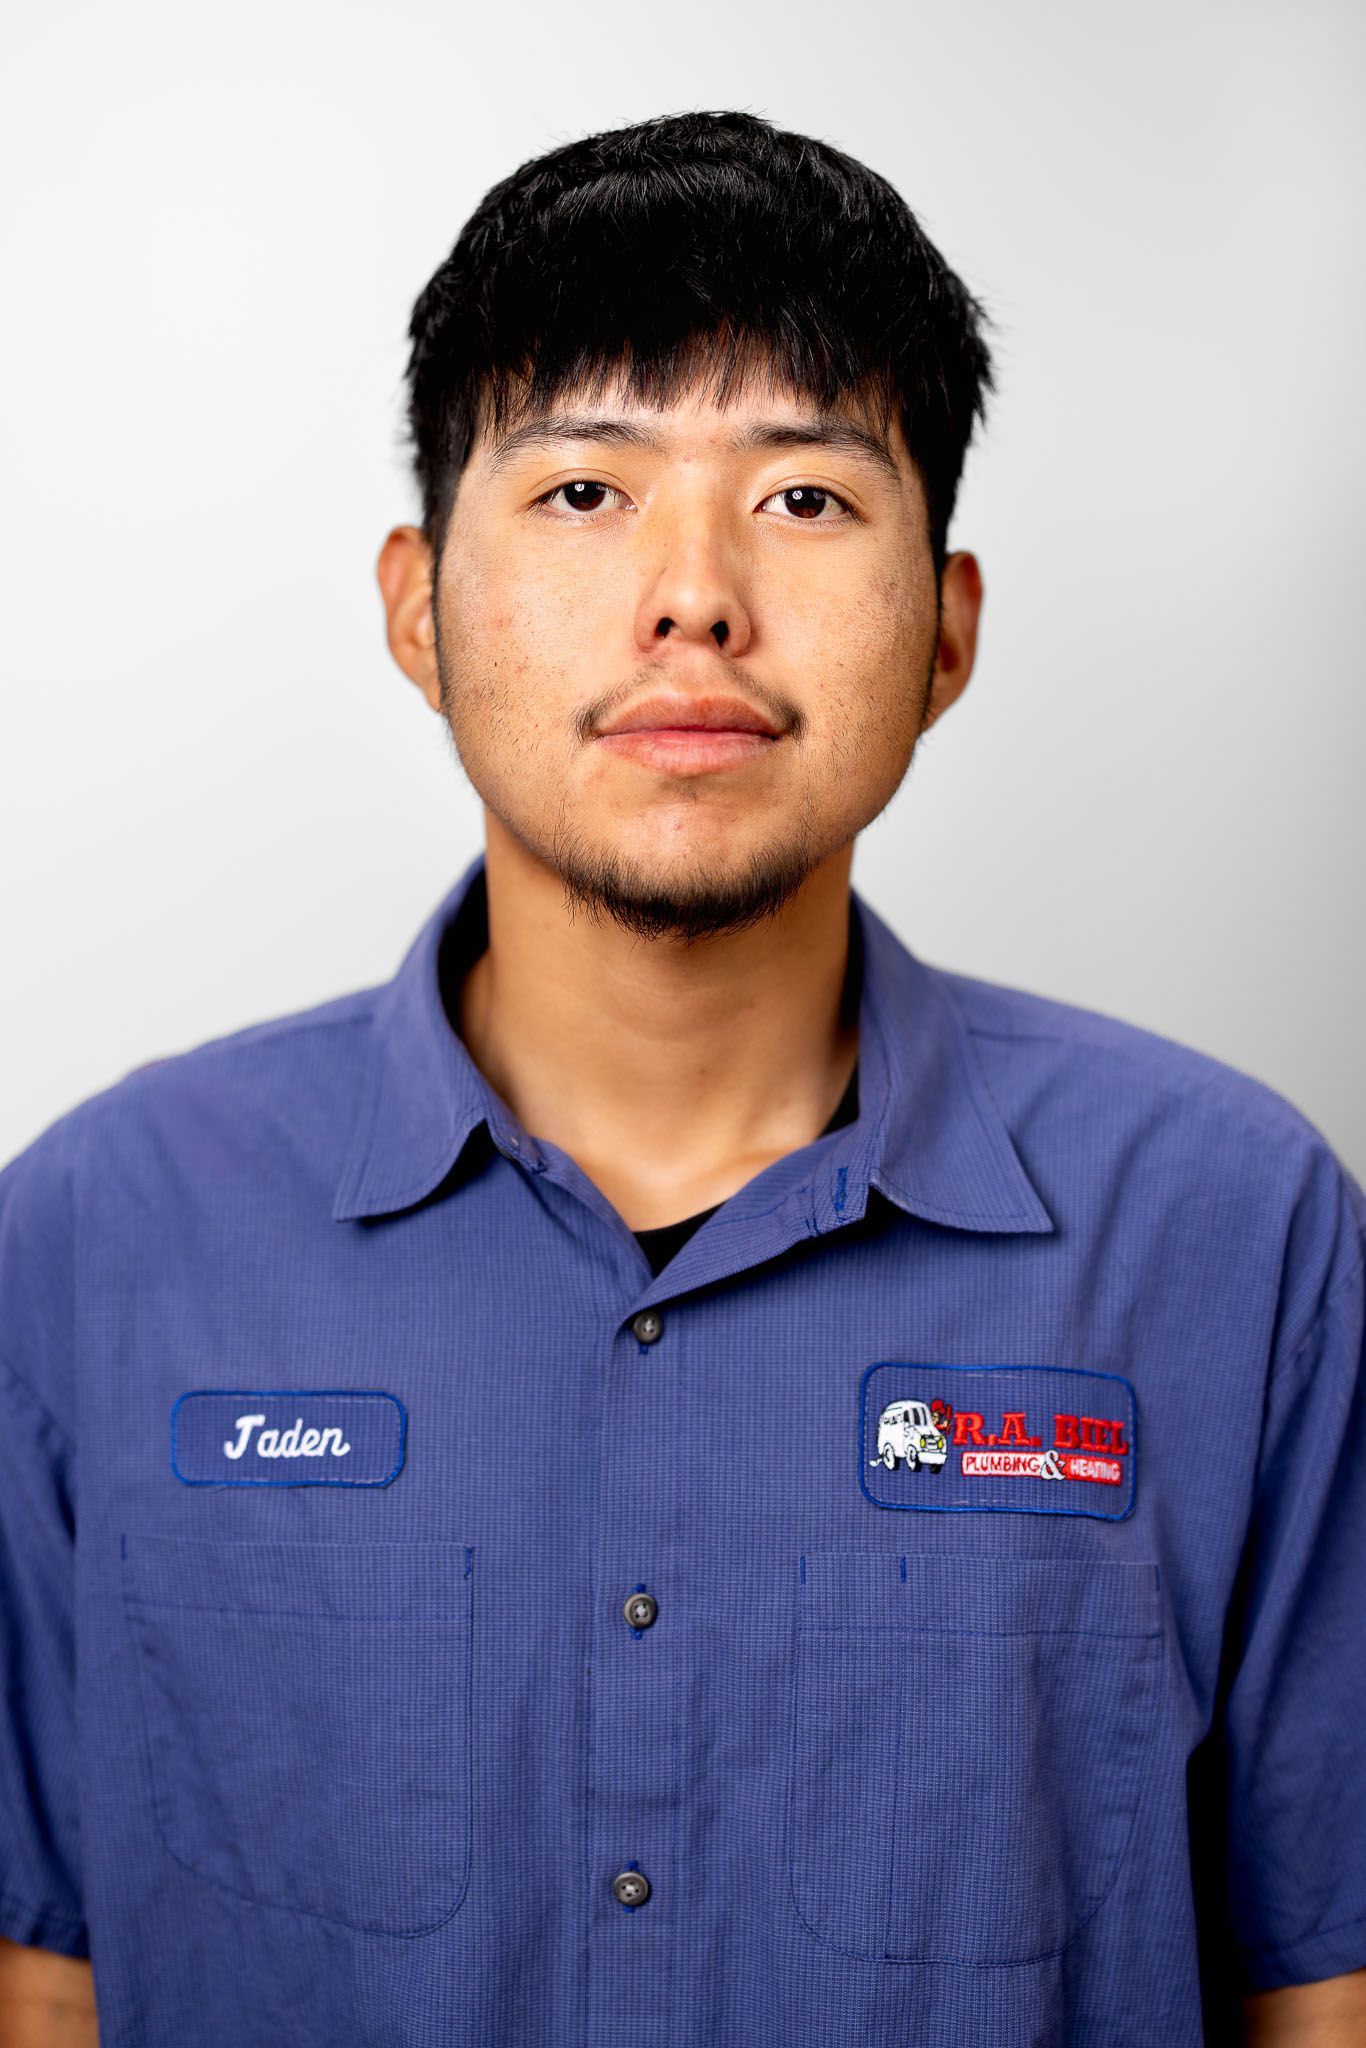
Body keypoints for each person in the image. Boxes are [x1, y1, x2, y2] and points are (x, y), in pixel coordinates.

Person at [1, 108, 1362, 2048]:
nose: (692, 597)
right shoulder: (98, 1235)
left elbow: (1320, 1985)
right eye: (581, 493)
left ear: (950, 626)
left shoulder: (1233, 1228)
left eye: (802, 498)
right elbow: (41, 1975)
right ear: (413, 602)